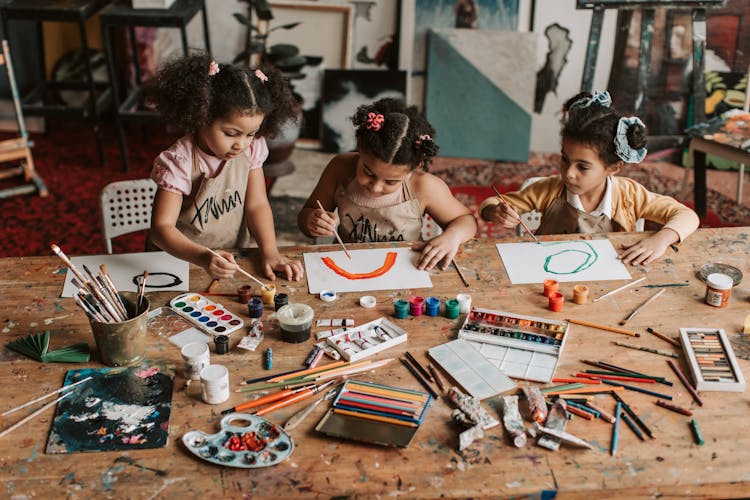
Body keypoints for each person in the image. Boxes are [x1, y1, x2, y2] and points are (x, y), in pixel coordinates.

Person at [480, 90, 699, 266]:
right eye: (565, 160)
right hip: (550, 275)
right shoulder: (548, 190)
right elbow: (490, 204)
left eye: (582, 167)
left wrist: (660, 240)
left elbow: (686, 215)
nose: (568, 173)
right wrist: (496, 212)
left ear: (613, 168)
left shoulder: (629, 194)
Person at [145, 54, 303, 281]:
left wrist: (270, 252)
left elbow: (257, 204)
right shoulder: (180, 161)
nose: (241, 144)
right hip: (180, 263)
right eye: (231, 134)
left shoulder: (251, 149)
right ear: (202, 116)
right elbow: (161, 229)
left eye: (252, 133)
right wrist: (203, 257)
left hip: (230, 258)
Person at [297, 98, 477, 271]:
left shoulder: (425, 187)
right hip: (346, 264)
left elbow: (466, 221)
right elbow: (306, 214)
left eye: (391, 182)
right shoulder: (340, 168)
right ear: (359, 146)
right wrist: (312, 221)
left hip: (406, 268)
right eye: (368, 172)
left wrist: (452, 236)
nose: (375, 188)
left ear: (415, 167)